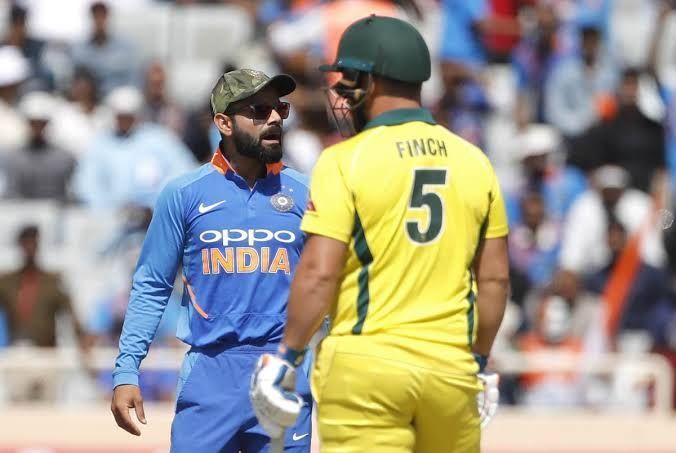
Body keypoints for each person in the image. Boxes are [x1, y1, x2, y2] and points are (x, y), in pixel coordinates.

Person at [251, 16, 509, 452]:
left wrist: (287, 357)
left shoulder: (343, 160)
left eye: (348, 78)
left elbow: (318, 275)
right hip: (451, 371)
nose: (341, 91)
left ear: (370, 81)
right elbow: (495, 281)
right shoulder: (475, 161)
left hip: (366, 369)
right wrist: (479, 360)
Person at [110, 69, 313, 452]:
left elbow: (333, 284)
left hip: (284, 373)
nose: (273, 119)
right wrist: (125, 372)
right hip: (208, 374)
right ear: (223, 122)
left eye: (279, 109)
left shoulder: (307, 193)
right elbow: (152, 286)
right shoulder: (184, 194)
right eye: (259, 110)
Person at [72, 86, 196, 210]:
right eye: (120, 116)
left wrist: (156, 203)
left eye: (129, 116)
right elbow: (87, 183)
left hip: (156, 216)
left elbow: (184, 171)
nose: (124, 121)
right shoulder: (101, 144)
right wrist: (106, 209)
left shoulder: (159, 139)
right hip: (112, 219)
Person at [3, 91, 76, 201]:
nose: (37, 128)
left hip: (57, 214)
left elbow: (72, 195)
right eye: (33, 123)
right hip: (20, 214)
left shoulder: (65, 158)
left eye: (41, 123)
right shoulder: (12, 158)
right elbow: (11, 195)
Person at [71, 1, 140, 95]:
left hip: (118, 97)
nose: (99, 20)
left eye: (102, 15)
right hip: (90, 100)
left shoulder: (125, 46)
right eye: (96, 15)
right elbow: (76, 78)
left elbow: (134, 78)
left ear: (108, 17)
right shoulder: (79, 48)